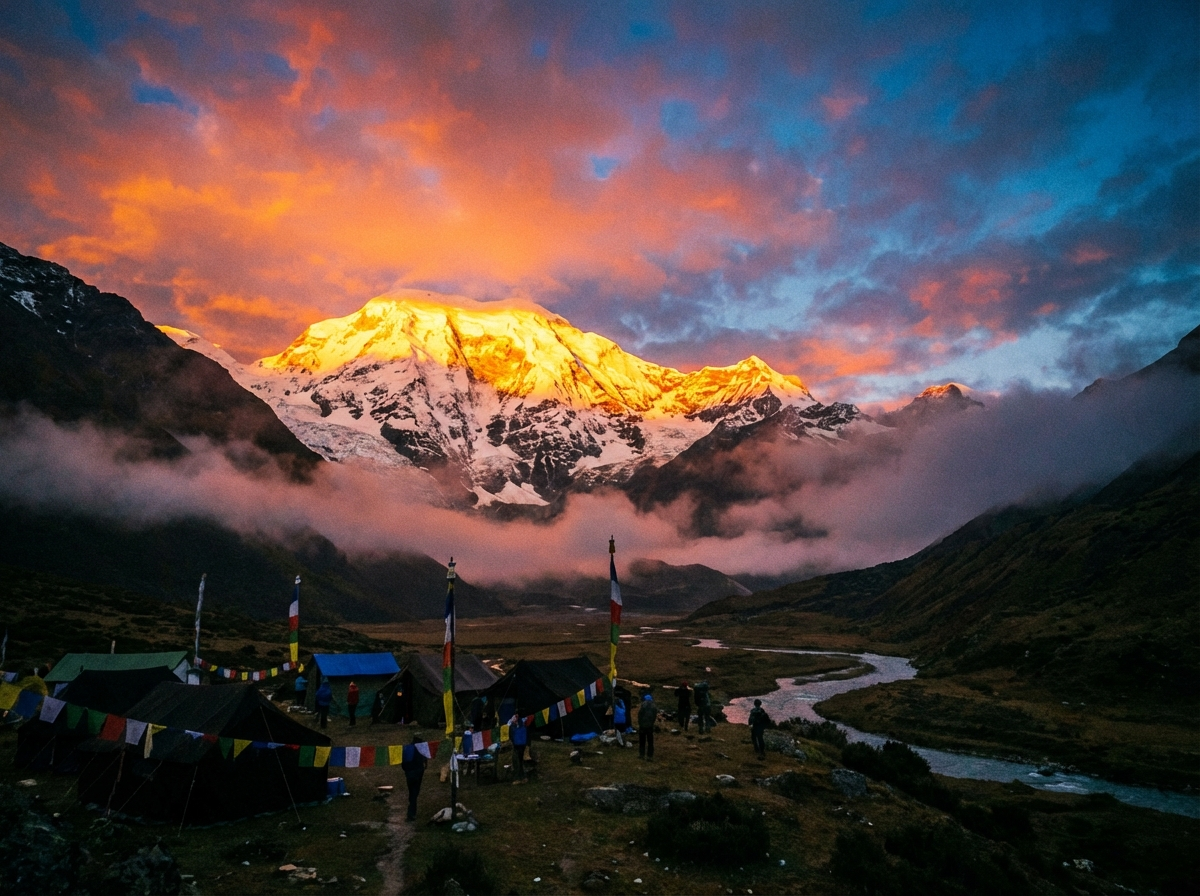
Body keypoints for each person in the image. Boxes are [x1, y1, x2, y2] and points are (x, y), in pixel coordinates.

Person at [400, 734, 427, 822]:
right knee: (415, 793)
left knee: (412, 792)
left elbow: (403, 763)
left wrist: (407, 771)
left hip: (409, 773)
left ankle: (411, 812)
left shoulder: (407, 748)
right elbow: (425, 762)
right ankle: (411, 813)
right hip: (418, 773)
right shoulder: (421, 749)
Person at [637, 693, 658, 760]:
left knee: (642, 741)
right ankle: (650, 756)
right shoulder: (654, 706)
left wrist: (640, 723)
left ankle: (642, 754)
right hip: (650, 726)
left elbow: (640, 714)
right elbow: (654, 716)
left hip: (642, 725)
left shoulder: (643, 705)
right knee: (650, 741)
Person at [509, 713, 528, 780]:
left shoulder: (517, 726)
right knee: (519, 760)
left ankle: (519, 776)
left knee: (518, 760)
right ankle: (522, 775)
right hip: (520, 744)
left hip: (519, 745)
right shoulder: (520, 725)